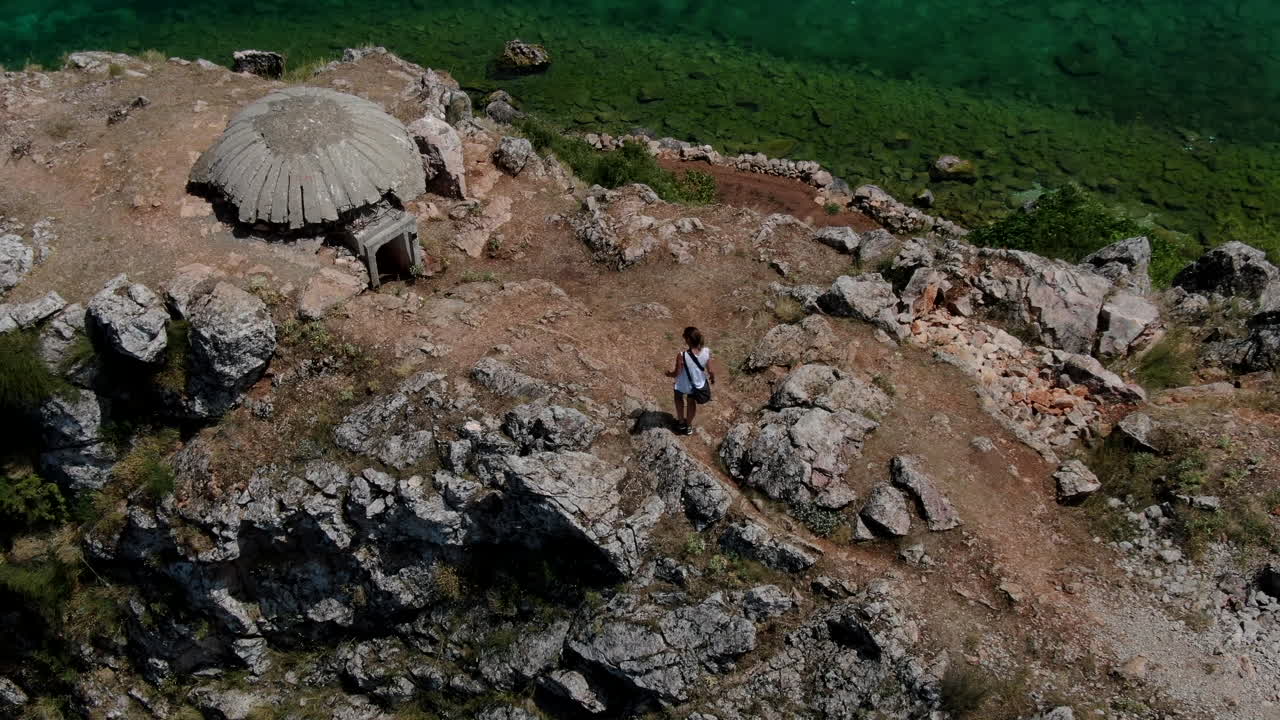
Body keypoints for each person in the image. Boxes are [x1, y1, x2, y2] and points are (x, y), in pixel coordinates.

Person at [665, 326, 716, 435]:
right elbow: (711, 370)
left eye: (684, 335)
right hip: (697, 385)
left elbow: (677, 373)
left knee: (678, 396)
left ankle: (681, 422)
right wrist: (712, 378)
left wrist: (669, 374)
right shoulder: (706, 352)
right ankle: (688, 426)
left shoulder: (682, 355)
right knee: (691, 402)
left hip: (684, 385)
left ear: (688, 339)